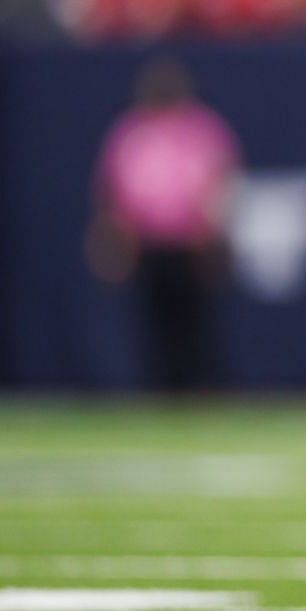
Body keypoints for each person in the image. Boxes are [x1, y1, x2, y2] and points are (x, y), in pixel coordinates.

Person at [88, 57, 241, 393]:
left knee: (196, 326)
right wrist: (114, 241)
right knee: (156, 325)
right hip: (150, 245)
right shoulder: (131, 133)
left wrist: (214, 235)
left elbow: (218, 186)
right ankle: (161, 391)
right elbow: (115, 195)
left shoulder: (201, 130)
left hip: (190, 244)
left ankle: (201, 391)